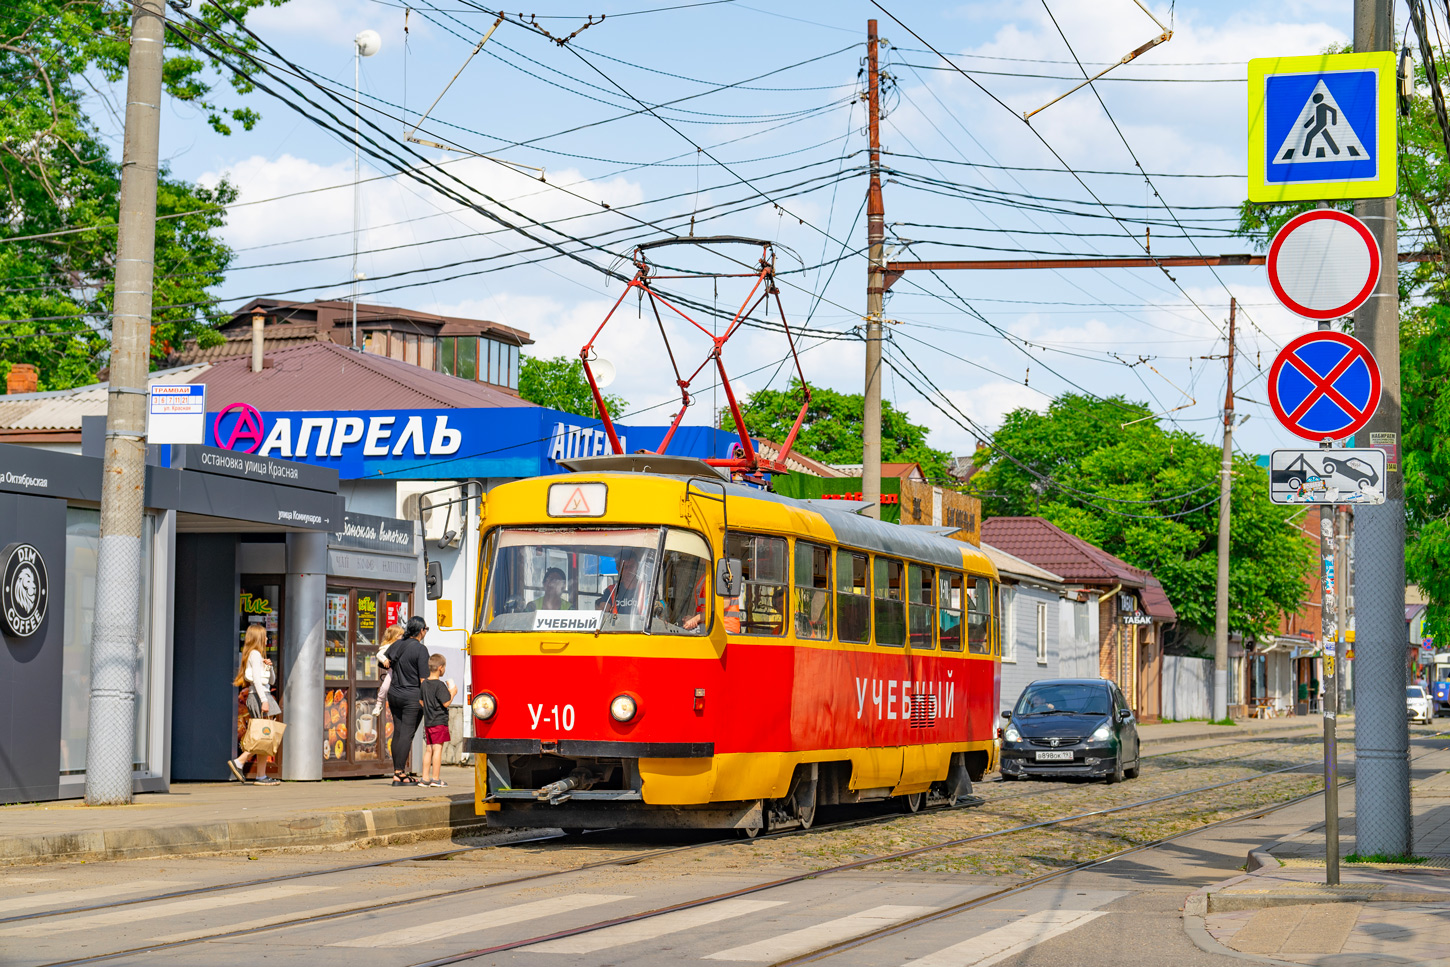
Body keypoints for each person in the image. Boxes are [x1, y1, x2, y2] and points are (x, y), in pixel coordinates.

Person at [228, 625, 280, 785]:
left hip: (260, 696)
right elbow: (257, 681)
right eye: (264, 636)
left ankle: (261, 775)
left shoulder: (256, 655)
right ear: (258, 638)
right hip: (259, 696)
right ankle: (240, 761)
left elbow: (271, 681)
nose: (267, 639)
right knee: (264, 734)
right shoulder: (255, 655)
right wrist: (264, 700)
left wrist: (269, 668)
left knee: (267, 735)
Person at [385, 616, 432, 785]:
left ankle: (397, 772)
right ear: (421, 631)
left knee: (398, 732)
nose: (426, 632)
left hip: (394, 693)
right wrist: (427, 701)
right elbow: (423, 680)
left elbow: (384, 661)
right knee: (406, 733)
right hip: (412, 696)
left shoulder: (397, 644)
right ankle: (399, 774)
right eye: (426, 629)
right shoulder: (421, 650)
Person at [420, 653, 458, 788]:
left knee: (429, 750)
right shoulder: (440, 685)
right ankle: (435, 779)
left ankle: (424, 778)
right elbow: (446, 703)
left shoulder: (424, 684)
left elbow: (421, 701)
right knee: (437, 750)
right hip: (439, 721)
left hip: (428, 721)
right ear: (440, 668)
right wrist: (453, 692)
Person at [372, 623, 405, 716]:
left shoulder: (402, 645)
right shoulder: (389, 646)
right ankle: (378, 704)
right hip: (392, 671)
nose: (402, 637)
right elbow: (379, 654)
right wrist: (385, 659)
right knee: (384, 687)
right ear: (394, 636)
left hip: (401, 670)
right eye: (400, 635)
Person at [598, 550, 644, 615]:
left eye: (631, 567)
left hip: (640, 625)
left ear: (637, 566)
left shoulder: (646, 589)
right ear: (618, 569)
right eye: (625, 567)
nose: (629, 571)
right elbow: (602, 612)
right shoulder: (611, 591)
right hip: (617, 625)